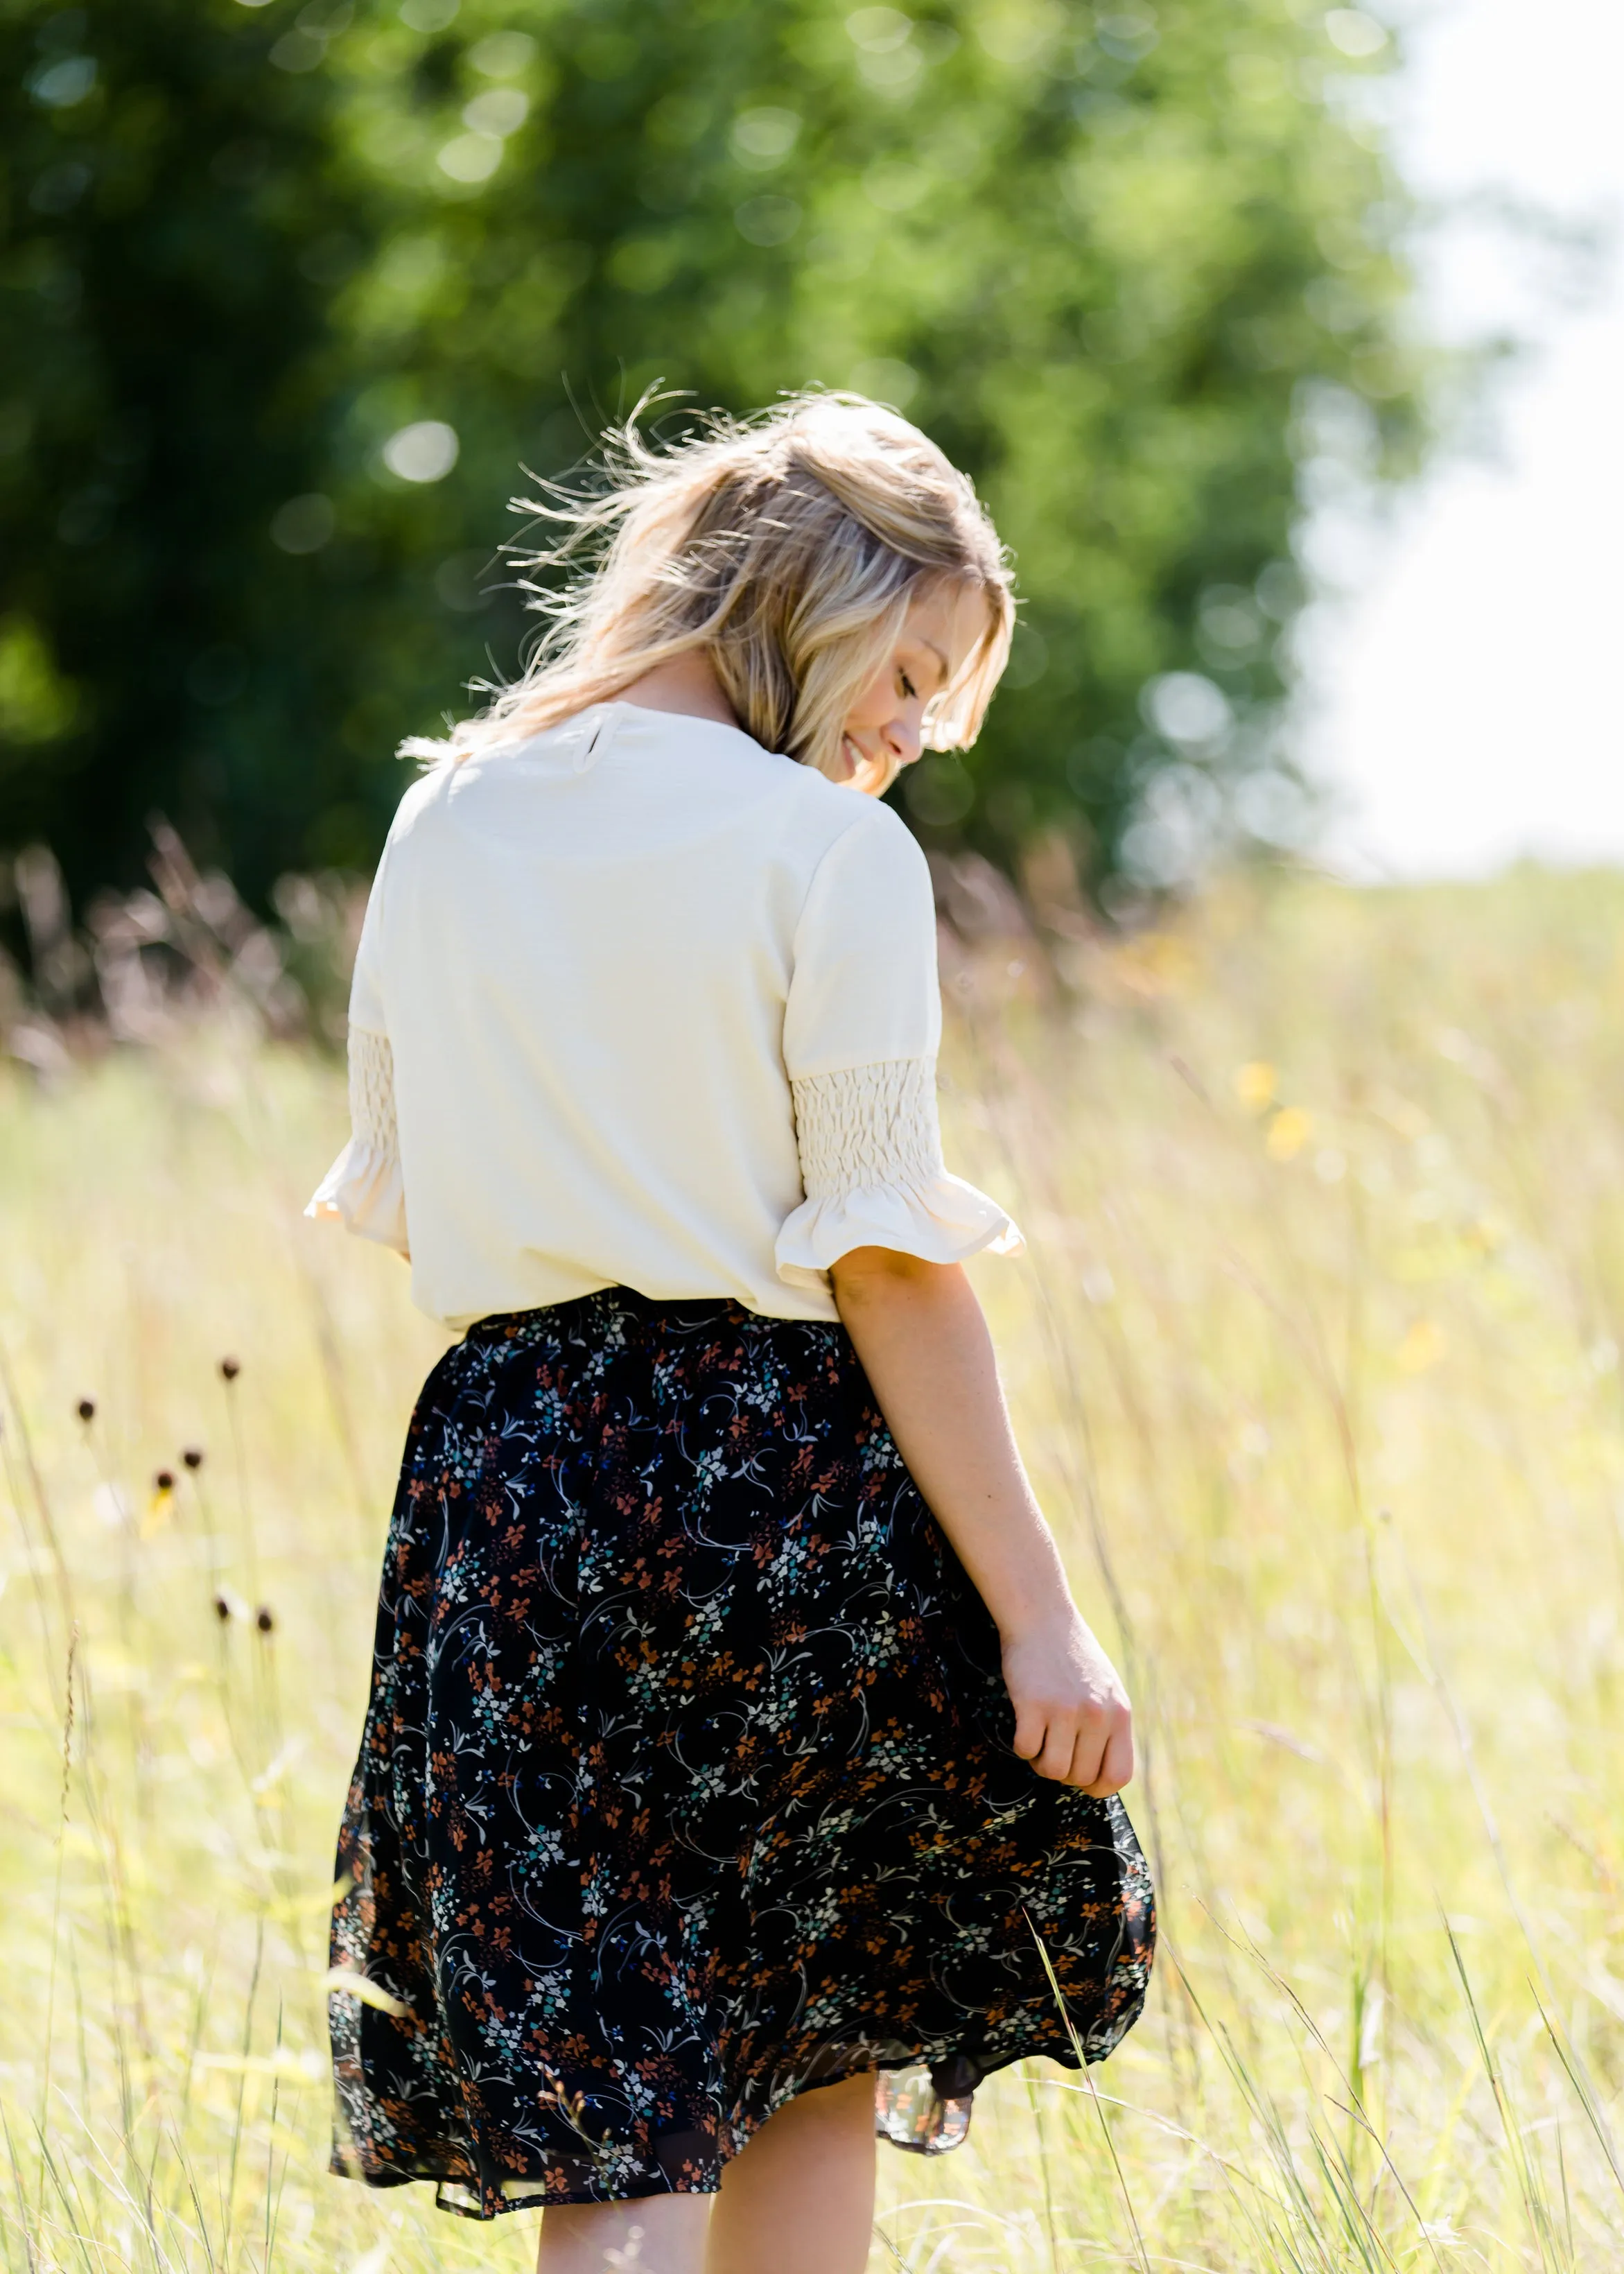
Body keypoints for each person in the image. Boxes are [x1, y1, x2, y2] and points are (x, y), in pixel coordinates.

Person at [308, 392, 1153, 2274]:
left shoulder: (443, 817)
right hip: (778, 1484)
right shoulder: (822, 857)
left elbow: (419, 1189)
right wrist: (1039, 1614)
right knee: (803, 2048)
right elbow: (888, 1266)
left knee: (612, 2088)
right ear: (812, 592)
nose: (916, 732)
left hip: (507, 1480)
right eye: (914, 672)